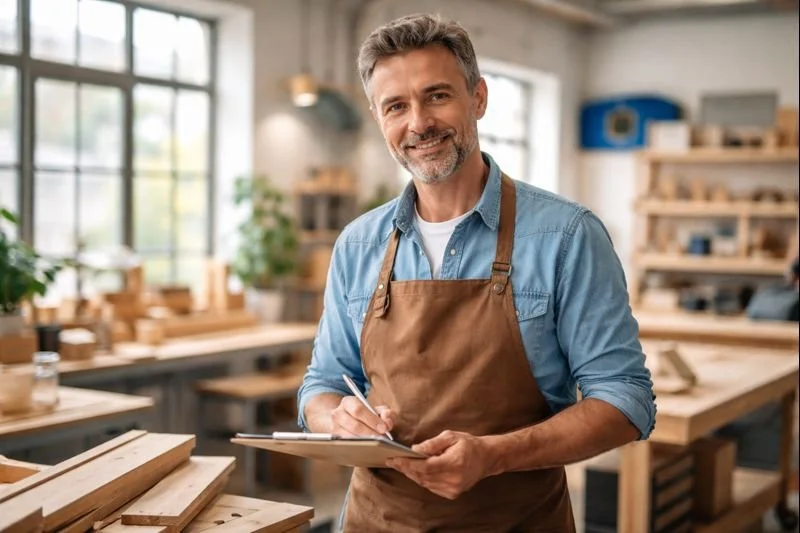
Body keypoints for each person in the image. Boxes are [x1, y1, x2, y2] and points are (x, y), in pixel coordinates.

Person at [297, 13, 656, 532]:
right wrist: (337, 420)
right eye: (396, 106)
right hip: (376, 521)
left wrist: (494, 455)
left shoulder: (566, 236)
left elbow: (625, 400)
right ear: (378, 118)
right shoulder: (358, 244)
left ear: (478, 98)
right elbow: (321, 385)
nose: (418, 123)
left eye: (437, 96)